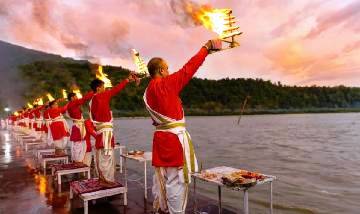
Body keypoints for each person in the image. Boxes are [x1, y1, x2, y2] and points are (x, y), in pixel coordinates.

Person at [143, 39, 222, 213]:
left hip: (160, 139)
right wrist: (206, 48)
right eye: (167, 68)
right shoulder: (166, 84)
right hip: (173, 140)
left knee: (164, 178)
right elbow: (190, 68)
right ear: (161, 70)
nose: (169, 71)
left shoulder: (148, 91)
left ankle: (164, 209)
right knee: (177, 181)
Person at [89, 73, 139, 183]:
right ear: (98, 88)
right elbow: (116, 89)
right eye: (103, 87)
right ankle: (107, 181)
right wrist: (127, 80)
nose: (105, 89)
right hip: (105, 133)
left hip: (101, 132)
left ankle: (103, 179)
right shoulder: (100, 96)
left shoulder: (92, 101)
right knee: (107, 157)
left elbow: (93, 119)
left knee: (103, 157)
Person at [66, 91, 94, 164]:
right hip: (78, 127)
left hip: (77, 126)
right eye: (75, 96)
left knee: (78, 146)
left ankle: (78, 162)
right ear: (72, 98)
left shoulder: (70, 104)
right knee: (79, 146)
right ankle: (78, 163)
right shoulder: (73, 103)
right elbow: (85, 98)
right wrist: (93, 91)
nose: (77, 98)